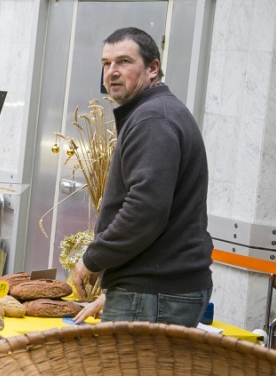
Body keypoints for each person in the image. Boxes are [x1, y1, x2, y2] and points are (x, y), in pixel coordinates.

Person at [69, 27, 213, 328]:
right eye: (106, 64)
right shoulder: (154, 112)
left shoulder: (153, 119)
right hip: (157, 290)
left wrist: (94, 258)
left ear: (152, 68)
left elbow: (145, 209)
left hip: (155, 291)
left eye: (123, 62)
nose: (112, 72)